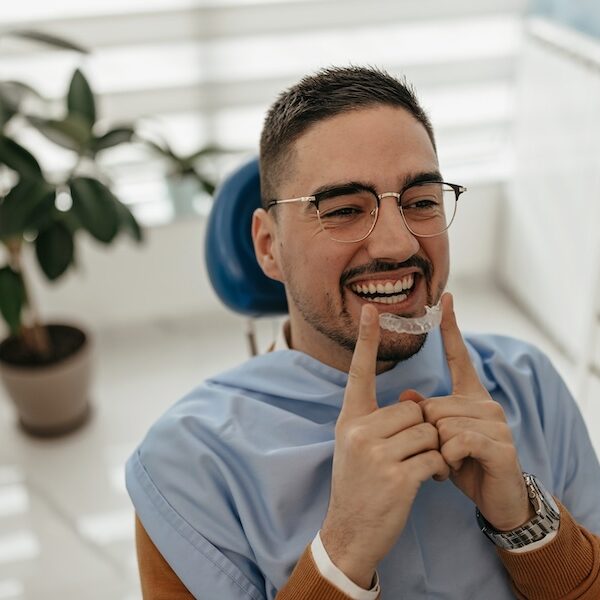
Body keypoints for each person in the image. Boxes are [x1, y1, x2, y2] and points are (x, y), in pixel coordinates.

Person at [126, 66, 600, 599]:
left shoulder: (527, 382)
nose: (398, 245)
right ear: (267, 246)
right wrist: (341, 554)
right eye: (345, 210)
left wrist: (529, 527)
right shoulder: (187, 463)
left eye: (421, 201)